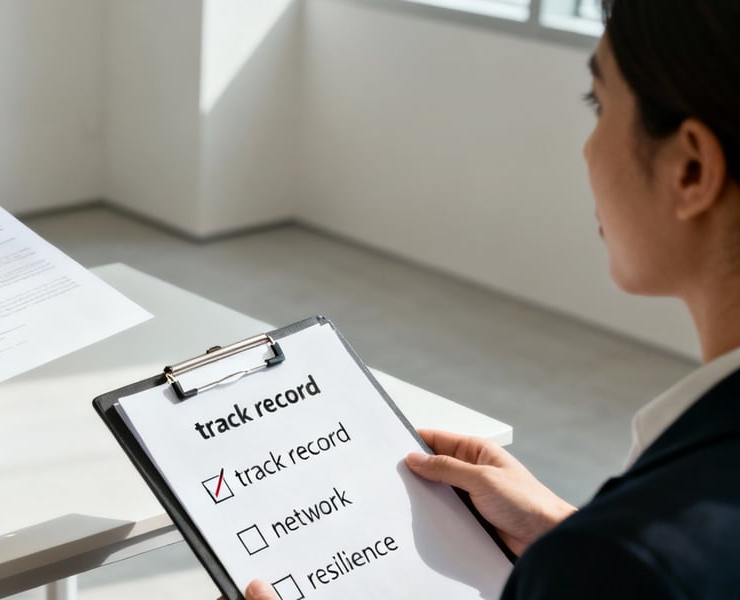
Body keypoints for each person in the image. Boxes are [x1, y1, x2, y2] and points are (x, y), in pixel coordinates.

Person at [240, 0, 740, 597]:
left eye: (599, 105)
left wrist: (585, 564)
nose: (586, 149)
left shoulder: (624, 559)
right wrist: (564, 540)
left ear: (690, 169)